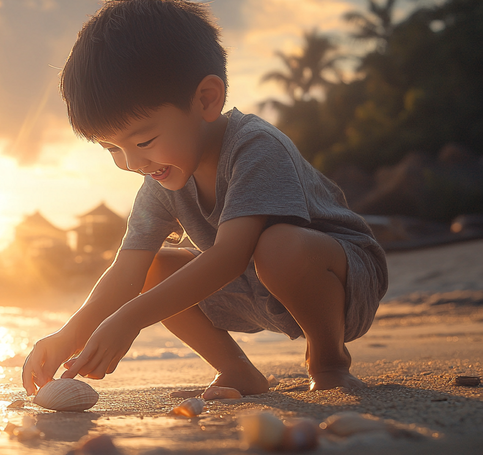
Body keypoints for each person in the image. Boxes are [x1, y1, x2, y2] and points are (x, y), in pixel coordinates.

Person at [21, 0, 388, 397]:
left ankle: (329, 360)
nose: (132, 163)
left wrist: (129, 320)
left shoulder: (255, 147)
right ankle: (237, 370)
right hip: (253, 291)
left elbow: (229, 257)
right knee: (153, 269)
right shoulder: (160, 184)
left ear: (207, 99)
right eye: (111, 148)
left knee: (278, 246)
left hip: (339, 283)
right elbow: (124, 272)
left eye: (144, 141)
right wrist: (68, 335)